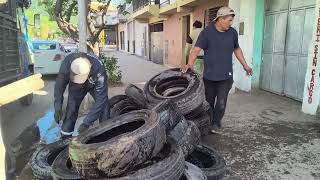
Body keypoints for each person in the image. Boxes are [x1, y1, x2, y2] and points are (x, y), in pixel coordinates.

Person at [181, 6, 253, 133]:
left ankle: (216, 123)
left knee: (221, 103)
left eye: (232, 21)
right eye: (229, 20)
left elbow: (237, 49)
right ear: (220, 19)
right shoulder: (207, 32)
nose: (231, 23)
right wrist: (189, 64)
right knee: (208, 103)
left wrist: (245, 65)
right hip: (209, 76)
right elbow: (196, 49)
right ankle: (208, 122)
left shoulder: (232, 33)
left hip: (226, 76)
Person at [54, 52, 110, 138]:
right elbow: (59, 85)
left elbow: (100, 100)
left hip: (93, 83)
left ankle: (105, 135)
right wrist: (58, 106)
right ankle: (65, 137)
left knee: (104, 107)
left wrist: (87, 122)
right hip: (75, 86)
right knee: (71, 109)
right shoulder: (67, 63)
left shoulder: (99, 70)